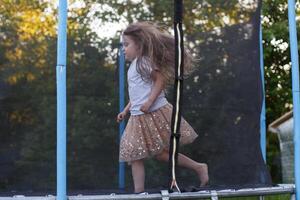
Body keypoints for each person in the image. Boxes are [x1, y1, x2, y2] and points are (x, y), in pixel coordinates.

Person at [117, 21, 209, 194]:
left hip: (154, 113)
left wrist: (150, 102)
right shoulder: (133, 65)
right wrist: (126, 110)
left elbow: (160, 80)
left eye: (127, 45)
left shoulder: (144, 62)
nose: (124, 49)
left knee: (147, 154)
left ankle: (198, 167)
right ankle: (140, 192)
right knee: (138, 155)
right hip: (138, 116)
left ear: (139, 46)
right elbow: (137, 94)